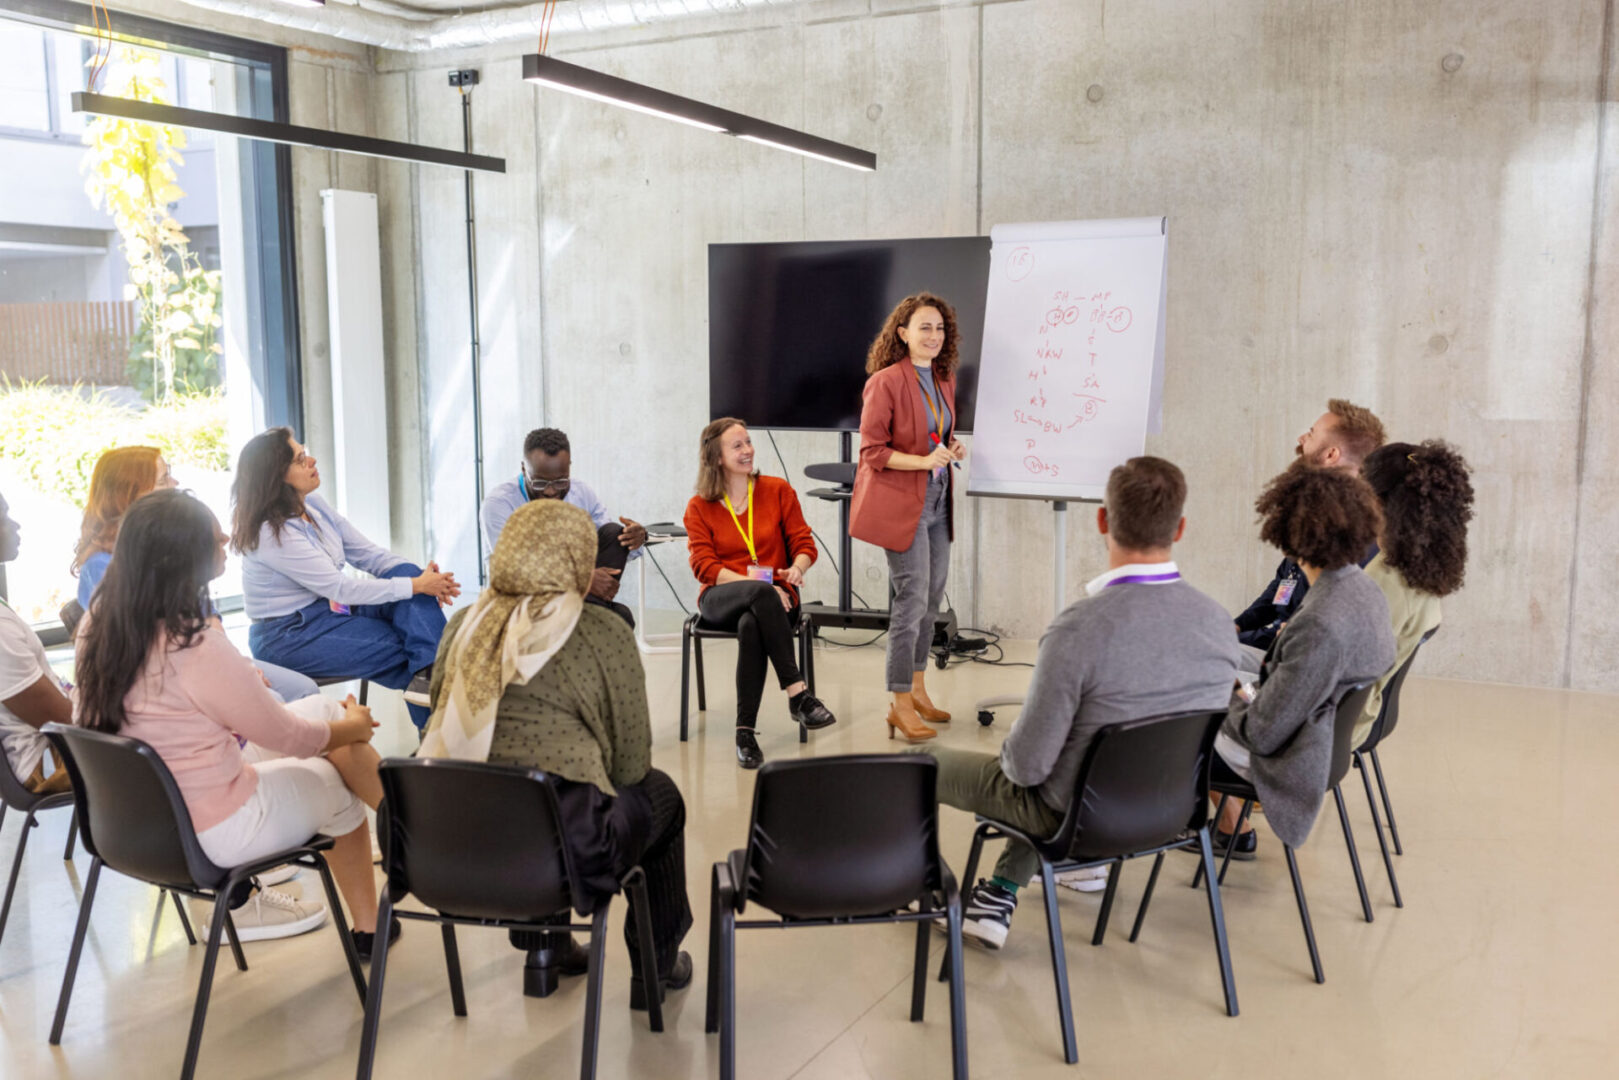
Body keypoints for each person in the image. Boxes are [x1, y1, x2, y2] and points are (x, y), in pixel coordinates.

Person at [929, 458, 1241, 949]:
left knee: (921, 762)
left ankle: (917, 892)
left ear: (1102, 520)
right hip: (1169, 812)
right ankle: (1005, 895)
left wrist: (1018, 744)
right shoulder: (1219, 624)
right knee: (1074, 757)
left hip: (1075, 818)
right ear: (1179, 528)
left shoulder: (1078, 630)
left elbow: (1026, 770)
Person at [73, 489, 399, 956]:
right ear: (181, 556)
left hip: (131, 824)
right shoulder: (193, 643)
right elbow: (289, 737)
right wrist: (357, 727)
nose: (227, 536)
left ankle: (410, 836)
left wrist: (337, 724)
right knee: (337, 781)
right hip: (214, 827)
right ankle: (377, 917)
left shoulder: (99, 621)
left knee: (325, 711)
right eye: (213, 534)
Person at [420, 498, 692, 1009]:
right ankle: (654, 965)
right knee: (660, 795)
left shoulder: (462, 624)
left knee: (517, 792)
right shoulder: (601, 629)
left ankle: (544, 952)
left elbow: (438, 714)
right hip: (558, 858)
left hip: (439, 843)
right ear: (578, 558)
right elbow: (630, 767)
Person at [1213, 464, 1396, 860]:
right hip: (1323, 745)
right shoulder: (1363, 590)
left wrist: (1227, 692)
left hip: (1288, 761)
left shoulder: (1319, 621)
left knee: (1170, 720)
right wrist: (1243, 688)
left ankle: (1215, 827)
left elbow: (1261, 731)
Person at [233, 428, 458, 732]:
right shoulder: (270, 533)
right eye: (301, 459)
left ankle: (436, 725)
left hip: (331, 610)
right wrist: (419, 586)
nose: (312, 460)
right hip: (289, 635)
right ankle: (443, 748)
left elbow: (368, 554)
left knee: (408, 588)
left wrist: (420, 577)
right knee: (417, 653)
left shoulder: (313, 505)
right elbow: (342, 587)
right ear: (278, 476)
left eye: (305, 451)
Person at [72, 445, 318, 705]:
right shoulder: (101, 568)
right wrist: (235, 673)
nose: (175, 483)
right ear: (131, 495)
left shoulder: (166, 545)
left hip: (206, 656)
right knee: (275, 701)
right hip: (167, 680)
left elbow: (207, 617)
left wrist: (236, 665)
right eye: (164, 478)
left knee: (304, 690)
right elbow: (154, 651)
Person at [682, 418, 835, 769]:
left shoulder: (777, 490)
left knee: (754, 623)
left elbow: (803, 542)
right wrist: (756, 585)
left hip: (775, 599)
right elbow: (705, 567)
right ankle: (798, 695)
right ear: (716, 457)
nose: (748, 450)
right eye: (737, 445)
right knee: (761, 594)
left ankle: (744, 734)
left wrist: (797, 567)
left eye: (748, 442)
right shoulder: (699, 506)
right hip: (721, 596)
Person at [850, 292, 968, 742]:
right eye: (924, 327)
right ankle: (898, 701)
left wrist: (950, 448)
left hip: (938, 498)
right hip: (903, 502)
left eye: (940, 328)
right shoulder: (885, 381)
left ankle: (918, 687)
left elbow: (937, 433)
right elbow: (872, 452)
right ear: (902, 333)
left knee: (933, 598)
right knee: (912, 598)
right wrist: (922, 462)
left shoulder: (944, 378)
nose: (934, 336)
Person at [1234, 399, 1386, 660]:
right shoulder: (1317, 511)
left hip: (1285, 664)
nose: (1302, 438)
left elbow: (1305, 635)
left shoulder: (1351, 534)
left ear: (1331, 455)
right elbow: (1284, 584)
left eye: (1312, 434)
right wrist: (1236, 627)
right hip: (1271, 653)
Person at [1354, 440, 1474, 747]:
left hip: (1325, 734)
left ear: (1377, 504)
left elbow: (1333, 678)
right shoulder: (1419, 573)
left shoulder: (1378, 584)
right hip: (1361, 718)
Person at [481, 427, 648, 628]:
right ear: (524, 469)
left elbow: (612, 548)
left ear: (569, 467)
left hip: (571, 597)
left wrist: (635, 539)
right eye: (541, 483)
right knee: (619, 618)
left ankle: (579, 618)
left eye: (560, 481)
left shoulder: (581, 492)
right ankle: (583, 620)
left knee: (614, 533)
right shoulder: (500, 504)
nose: (551, 491)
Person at [1, 490, 73, 796]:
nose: (15, 525)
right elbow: (61, 719)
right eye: (4, 518)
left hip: (46, 742)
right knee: (166, 743)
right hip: (46, 760)